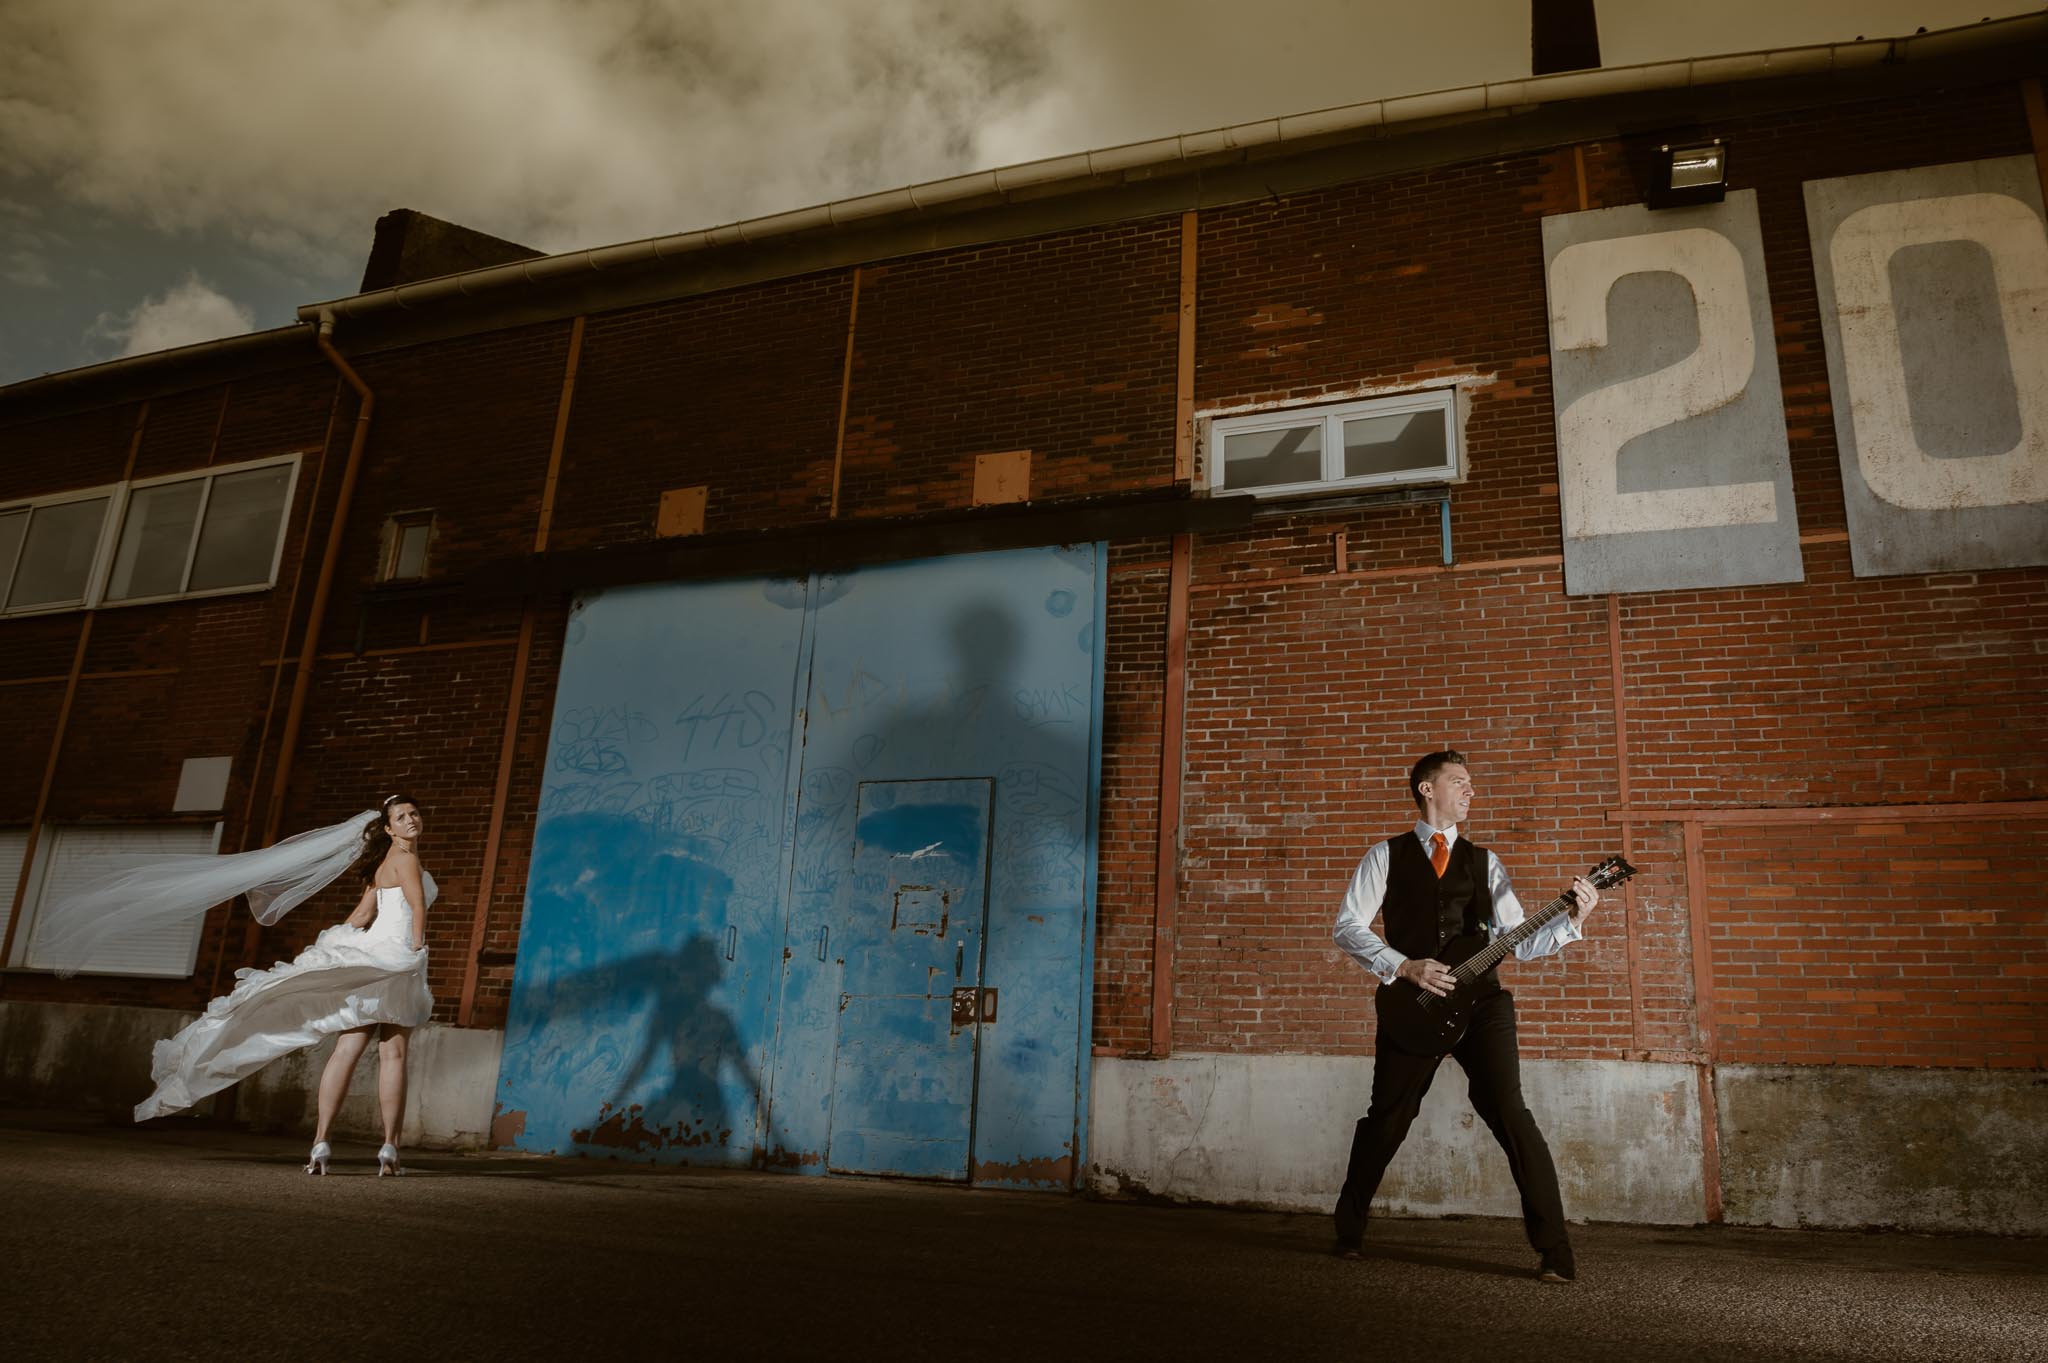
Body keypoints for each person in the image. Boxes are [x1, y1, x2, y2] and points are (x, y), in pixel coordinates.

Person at [1331, 750, 1597, 1282]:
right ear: (1427, 790)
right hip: (1414, 1005)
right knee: (1388, 1120)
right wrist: (1404, 966)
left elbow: (1516, 940)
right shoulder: (1383, 856)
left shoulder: (1485, 862)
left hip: (1482, 1006)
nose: (1470, 791)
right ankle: (1349, 1228)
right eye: (1459, 782)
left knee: (1512, 1114)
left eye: (1471, 784)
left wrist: (1572, 918)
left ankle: (1556, 1251)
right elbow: (1348, 927)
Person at [111, 795, 436, 1175]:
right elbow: (417, 907)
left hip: (372, 957)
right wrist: (416, 949)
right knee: (392, 1054)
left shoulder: (382, 865)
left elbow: (364, 914)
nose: (411, 820)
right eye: (401, 816)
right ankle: (389, 1149)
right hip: (395, 958)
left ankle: (321, 1142)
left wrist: (331, 945)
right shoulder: (408, 859)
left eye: (414, 813)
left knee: (346, 1048)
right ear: (388, 828)